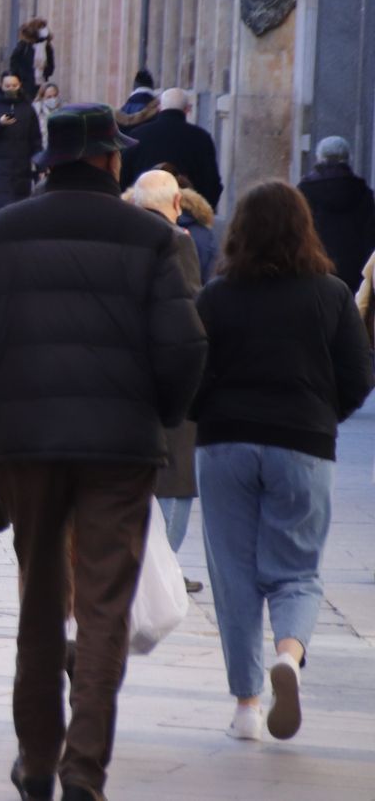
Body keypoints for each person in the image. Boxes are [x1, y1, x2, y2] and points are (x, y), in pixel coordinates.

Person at [0, 102, 207, 801]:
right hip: (120, 448)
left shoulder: (2, 233)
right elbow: (184, 347)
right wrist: (158, 418)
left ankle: (36, 758)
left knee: (40, 599)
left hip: (25, 445)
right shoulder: (150, 238)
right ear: (110, 161)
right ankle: (84, 766)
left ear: (51, 162)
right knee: (103, 604)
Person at [190, 181, 373, 743]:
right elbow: (358, 375)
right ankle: (289, 656)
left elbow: (191, 370)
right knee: (297, 570)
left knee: (233, 573)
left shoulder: (217, 297)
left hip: (225, 442)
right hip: (303, 442)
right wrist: (323, 415)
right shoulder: (331, 295)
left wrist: (205, 412)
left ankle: (246, 706)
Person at [125, 169, 206, 590]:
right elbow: (187, 308)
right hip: (165, 374)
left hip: (122, 377)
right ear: (177, 203)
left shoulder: (120, 234)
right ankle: (162, 570)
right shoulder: (177, 240)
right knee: (175, 477)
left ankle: (141, 563)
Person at [119, 88, 224, 206]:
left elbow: (122, 176)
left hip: (143, 207)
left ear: (159, 107)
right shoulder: (201, 138)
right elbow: (212, 183)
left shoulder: (137, 135)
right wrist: (201, 210)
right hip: (184, 208)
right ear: (187, 109)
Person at [297, 135, 375, 293]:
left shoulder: (303, 192)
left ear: (319, 158)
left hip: (313, 272)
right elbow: (370, 239)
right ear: (348, 159)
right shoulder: (363, 194)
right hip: (354, 278)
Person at [0, 72, 42, 211]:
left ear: (20, 86)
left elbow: (36, 140)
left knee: (20, 208)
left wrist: (40, 166)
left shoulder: (28, 110)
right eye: (7, 86)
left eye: (14, 85)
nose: (11, 89)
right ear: (1, 86)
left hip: (22, 168)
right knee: (2, 207)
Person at [8, 19, 55, 103]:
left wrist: (45, 73)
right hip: (24, 84)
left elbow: (50, 66)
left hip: (41, 84)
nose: (44, 30)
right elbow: (14, 63)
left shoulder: (47, 46)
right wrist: (19, 78)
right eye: (41, 27)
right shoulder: (24, 46)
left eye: (44, 27)